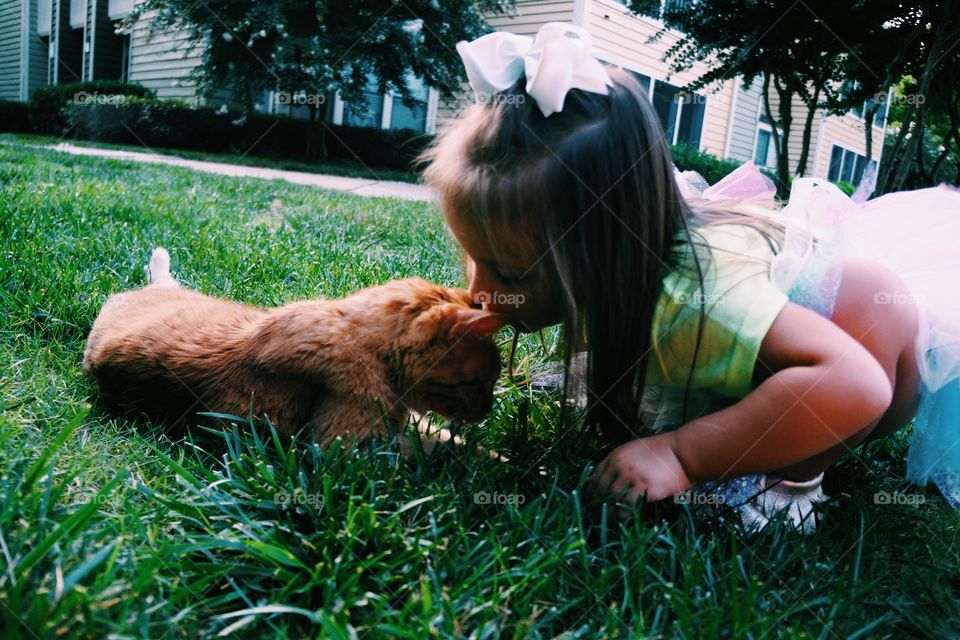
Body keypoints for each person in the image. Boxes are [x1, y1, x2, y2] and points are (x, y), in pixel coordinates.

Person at [420, 22, 960, 532]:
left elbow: (856, 385)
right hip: (806, 334)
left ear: (602, 256)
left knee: (791, 420)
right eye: (476, 258)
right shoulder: (638, 250)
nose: (478, 290)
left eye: (509, 270)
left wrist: (680, 454)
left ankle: (792, 487)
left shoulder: (692, 301)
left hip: (867, 356)